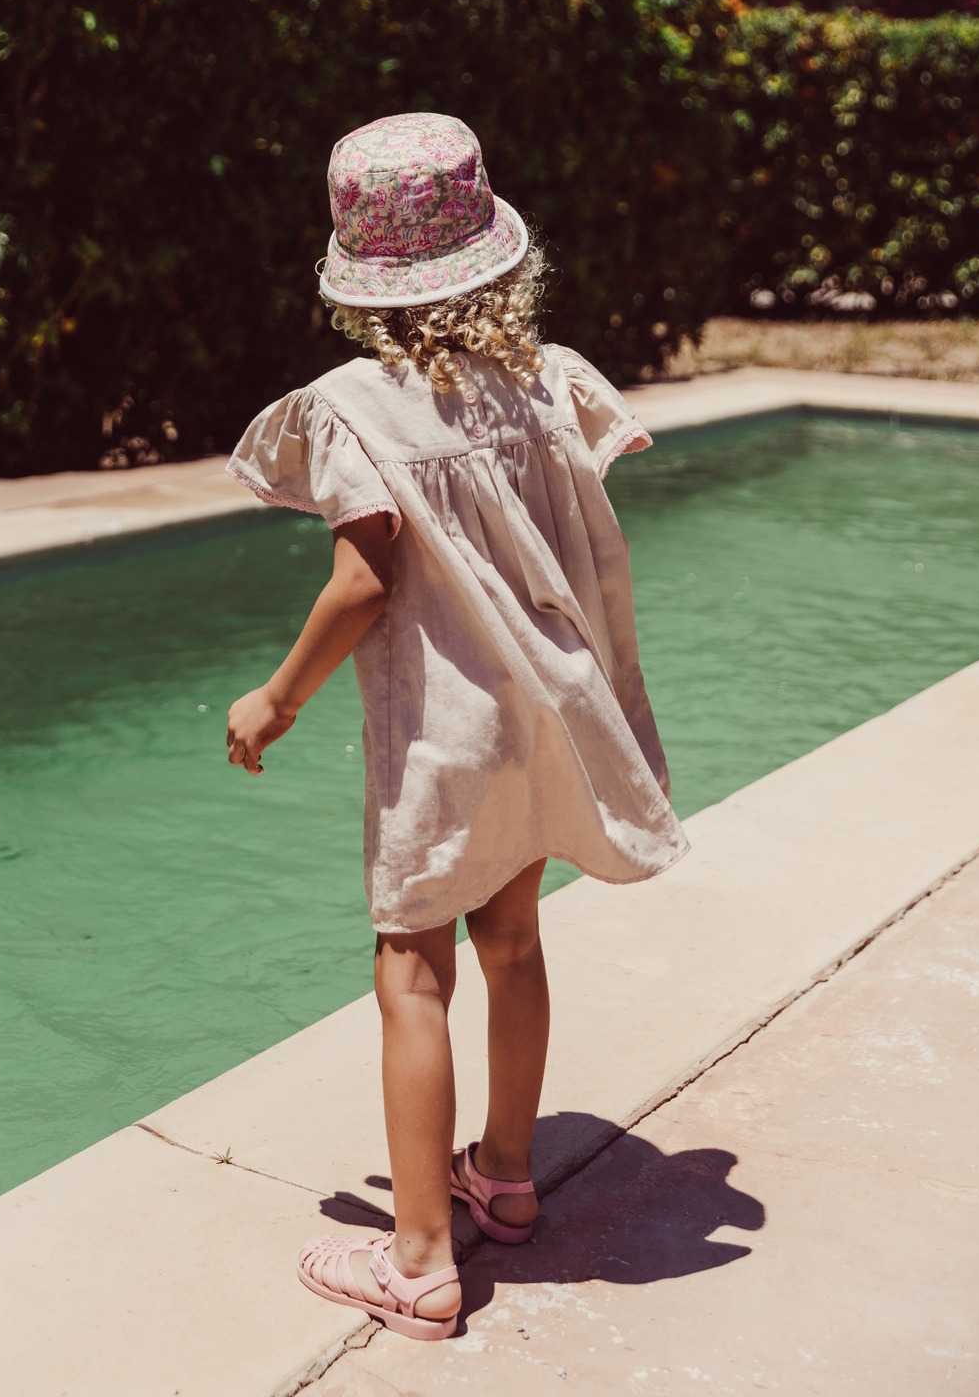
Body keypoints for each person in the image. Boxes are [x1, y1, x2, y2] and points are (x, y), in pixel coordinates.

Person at [225, 112, 688, 1342]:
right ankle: (507, 1178)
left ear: (357, 276)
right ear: (493, 254)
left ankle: (420, 1261)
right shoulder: (545, 380)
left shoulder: (355, 406)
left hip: (445, 731)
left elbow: (363, 581)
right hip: (545, 708)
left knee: (410, 973)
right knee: (513, 942)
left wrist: (275, 697)